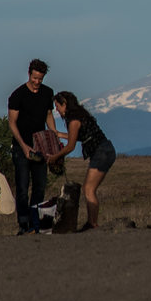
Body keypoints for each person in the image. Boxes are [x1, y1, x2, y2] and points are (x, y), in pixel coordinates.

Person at [47, 91, 117, 231]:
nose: (56, 110)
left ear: (64, 104)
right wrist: (60, 134)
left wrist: (54, 157)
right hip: (105, 150)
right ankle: (91, 223)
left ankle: (92, 224)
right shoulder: (79, 116)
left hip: (101, 152)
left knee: (89, 189)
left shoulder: (73, 121)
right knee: (88, 189)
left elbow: (71, 146)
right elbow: (82, 137)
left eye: (57, 106)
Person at [8, 58, 60, 235]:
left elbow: (48, 115)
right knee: (22, 187)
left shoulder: (47, 93)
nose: (37, 82)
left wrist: (54, 138)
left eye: (40, 79)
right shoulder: (17, 95)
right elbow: (12, 123)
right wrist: (23, 146)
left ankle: (35, 223)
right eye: (35, 78)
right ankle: (24, 225)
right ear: (29, 74)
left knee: (39, 187)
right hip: (21, 147)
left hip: (41, 146)